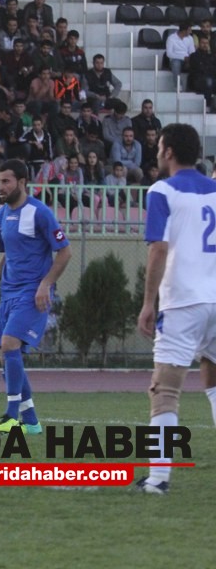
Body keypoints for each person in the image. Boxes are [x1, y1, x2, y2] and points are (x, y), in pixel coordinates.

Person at [135, 123, 216, 494]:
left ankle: (158, 479)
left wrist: (148, 303)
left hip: (183, 300)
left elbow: (158, 248)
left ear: (167, 151)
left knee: (165, 389)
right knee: (212, 378)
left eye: (159, 146)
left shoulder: (161, 190)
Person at [0, 159, 72, 435]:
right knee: (7, 358)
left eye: (6, 181)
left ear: (23, 182)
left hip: (32, 292)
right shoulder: (0, 216)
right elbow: (8, 255)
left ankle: (11, 415)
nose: (1, 187)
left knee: (9, 344)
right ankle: (32, 422)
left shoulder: (40, 213)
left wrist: (46, 284)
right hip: (8, 293)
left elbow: (65, 251)